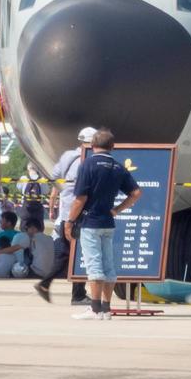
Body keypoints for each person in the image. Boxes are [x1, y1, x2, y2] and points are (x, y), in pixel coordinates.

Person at [69, 129, 142, 320]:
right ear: (112, 147)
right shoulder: (118, 167)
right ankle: (106, 308)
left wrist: (69, 221)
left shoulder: (88, 165)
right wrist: (117, 210)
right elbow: (135, 193)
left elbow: (80, 198)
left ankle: (94, 308)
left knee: (94, 265)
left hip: (90, 221)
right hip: (108, 222)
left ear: (92, 145)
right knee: (109, 265)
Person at [37, 126, 96, 305]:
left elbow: (54, 176)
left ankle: (46, 284)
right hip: (77, 214)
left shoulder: (67, 156)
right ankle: (77, 295)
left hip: (65, 213)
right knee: (81, 254)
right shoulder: (88, 161)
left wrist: (66, 190)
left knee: (65, 254)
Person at [0, 210, 30, 277]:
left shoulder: (1, 235)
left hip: (3, 264)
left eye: (2, 221)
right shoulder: (20, 234)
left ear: (9, 223)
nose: (0, 222)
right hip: (19, 264)